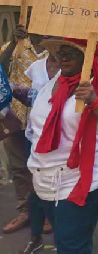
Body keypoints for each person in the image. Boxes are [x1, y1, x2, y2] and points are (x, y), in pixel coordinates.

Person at [26, 38, 98, 253]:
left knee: (70, 244)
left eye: (71, 53)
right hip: (46, 177)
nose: (64, 57)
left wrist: (94, 100)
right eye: (61, 52)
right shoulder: (55, 81)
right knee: (69, 238)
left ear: (87, 56)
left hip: (85, 176)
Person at [0, 25, 48, 234]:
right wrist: (12, 43)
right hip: (16, 114)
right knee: (19, 167)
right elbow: (0, 68)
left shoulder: (57, 51)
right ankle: (24, 211)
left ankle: (46, 214)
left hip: (46, 118)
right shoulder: (14, 45)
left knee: (45, 167)